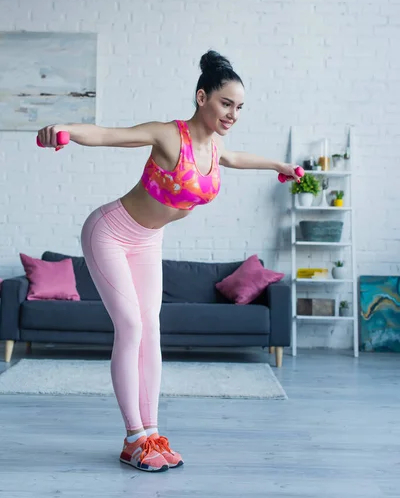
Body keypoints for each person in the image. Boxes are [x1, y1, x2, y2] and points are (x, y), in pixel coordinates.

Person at [37, 50, 301, 473]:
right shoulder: (167, 135)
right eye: (225, 103)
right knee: (132, 325)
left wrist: (280, 166)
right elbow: (109, 134)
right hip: (109, 232)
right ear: (202, 97)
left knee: (151, 330)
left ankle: (151, 432)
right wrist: (65, 128)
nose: (233, 114)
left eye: (239, 107)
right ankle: (133, 437)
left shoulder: (215, 150)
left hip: (146, 241)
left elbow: (240, 158)